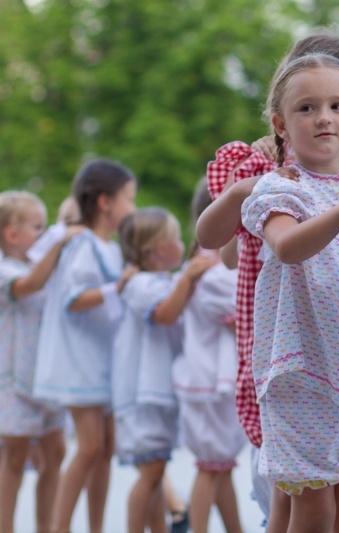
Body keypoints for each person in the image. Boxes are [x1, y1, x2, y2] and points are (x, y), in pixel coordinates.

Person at [196, 33, 339, 531]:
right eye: (307, 108)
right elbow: (288, 246)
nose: (323, 117)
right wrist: (239, 191)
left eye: (337, 106)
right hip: (296, 367)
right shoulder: (281, 187)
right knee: (311, 503)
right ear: (280, 123)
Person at [32, 158, 138, 533]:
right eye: (129, 198)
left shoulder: (107, 247)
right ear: (105, 202)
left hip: (102, 359)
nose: (134, 208)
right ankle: (60, 527)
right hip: (79, 361)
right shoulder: (83, 244)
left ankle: (96, 526)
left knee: (106, 448)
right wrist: (118, 287)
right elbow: (74, 299)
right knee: (90, 446)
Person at [113, 206, 216, 533]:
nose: (180, 242)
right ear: (159, 248)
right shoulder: (140, 284)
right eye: (174, 238)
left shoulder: (155, 280)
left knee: (156, 472)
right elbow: (165, 314)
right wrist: (188, 276)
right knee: (151, 472)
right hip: (143, 393)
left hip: (155, 392)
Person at [0, 191, 83, 533]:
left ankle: (47, 526)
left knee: (56, 453)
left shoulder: (41, 264)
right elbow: (29, 285)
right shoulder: (6, 269)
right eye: (38, 226)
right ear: (11, 234)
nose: (46, 231)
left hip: (48, 376)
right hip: (14, 380)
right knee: (15, 457)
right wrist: (61, 241)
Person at [173, 179, 247, 533]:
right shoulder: (214, 272)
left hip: (207, 381)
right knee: (210, 467)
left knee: (219, 465)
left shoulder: (204, 266)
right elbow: (243, 318)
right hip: (210, 381)